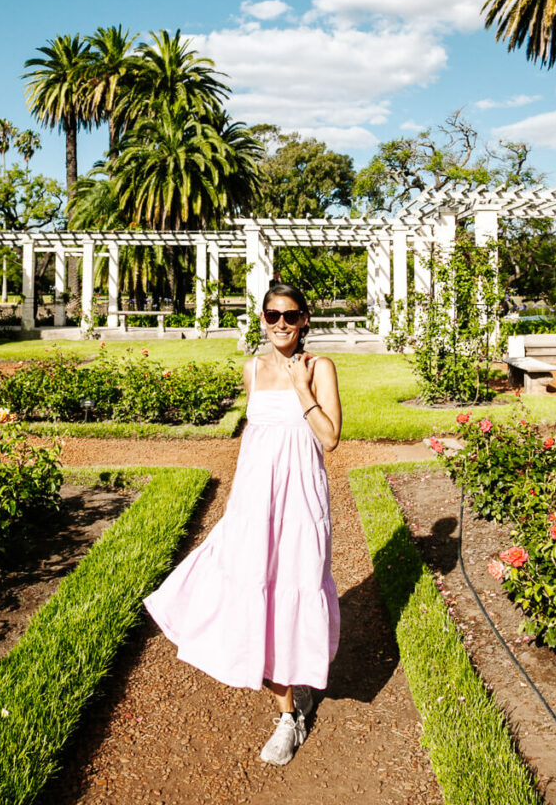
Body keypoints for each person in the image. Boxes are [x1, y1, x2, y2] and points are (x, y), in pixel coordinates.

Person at [144, 282, 342, 766]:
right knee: (255, 587)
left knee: (297, 584)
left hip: (301, 499)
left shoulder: (320, 368)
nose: (281, 325)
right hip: (256, 501)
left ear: (305, 320)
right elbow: (254, 441)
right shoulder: (251, 370)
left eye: (290, 316)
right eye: (272, 315)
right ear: (261, 318)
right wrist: (239, 504)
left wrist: (301, 390)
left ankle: (297, 682)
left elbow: (331, 438)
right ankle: (286, 715)